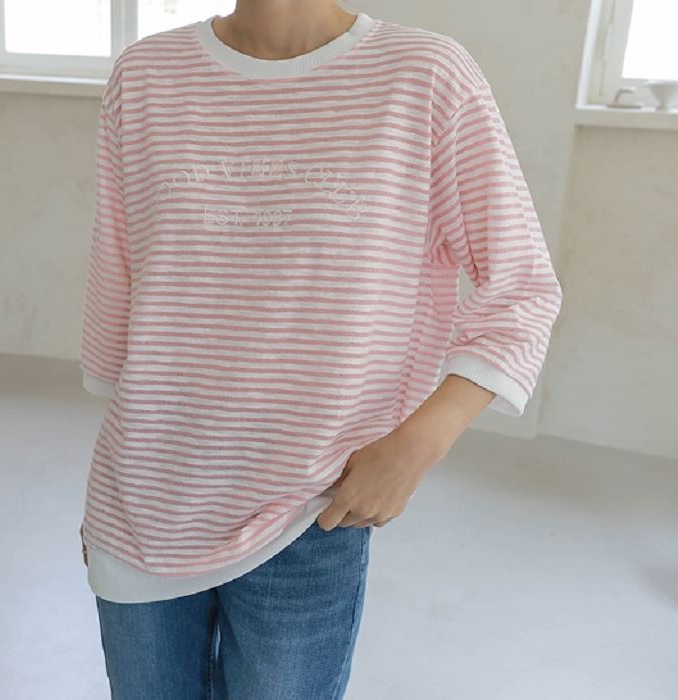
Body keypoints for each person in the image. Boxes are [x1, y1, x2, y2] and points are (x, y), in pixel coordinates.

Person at [78, 1, 564, 698]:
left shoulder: (425, 76)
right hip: (143, 501)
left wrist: (414, 448)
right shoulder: (146, 74)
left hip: (309, 508)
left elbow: (522, 288)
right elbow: (119, 271)